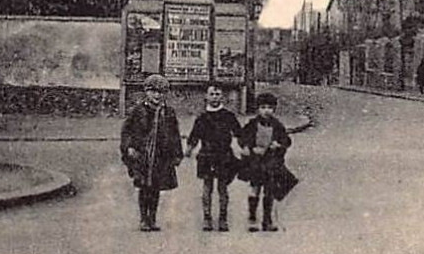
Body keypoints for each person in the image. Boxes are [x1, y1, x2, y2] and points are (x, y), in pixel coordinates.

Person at [120, 74, 182, 232]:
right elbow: (127, 131)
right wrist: (129, 147)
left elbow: (175, 134)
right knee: (144, 187)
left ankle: (152, 218)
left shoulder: (168, 112)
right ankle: (143, 218)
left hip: (161, 156)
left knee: (156, 188)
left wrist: (177, 154)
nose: (157, 95)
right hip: (142, 155)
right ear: (146, 92)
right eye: (153, 91)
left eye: (161, 92)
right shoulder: (137, 111)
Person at [185, 85, 243, 231]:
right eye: (212, 94)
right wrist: (189, 149)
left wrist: (245, 148)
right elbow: (194, 136)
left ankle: (223, 219)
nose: (215, 97)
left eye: (218, 94)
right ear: (206, 96)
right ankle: (207, 218)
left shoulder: (228, 116)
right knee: (207, 187)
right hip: (206, 155)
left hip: (224, 156)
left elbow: (239, 133)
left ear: (222, 97)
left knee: (223, 188)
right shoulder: (202, 117)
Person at [239, 91, 298, 232]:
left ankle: (267, 220)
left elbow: (286, 140)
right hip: (255, 161)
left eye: (270, 108)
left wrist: (279, 145)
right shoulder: (252, 124)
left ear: (274, 109)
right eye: (263, 107)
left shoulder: (277, 125)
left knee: (269, 190)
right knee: (255, 188)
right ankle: (252, 217)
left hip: (270, 162)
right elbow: (243, 137)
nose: (266, 111)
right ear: (258, 109)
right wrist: (247, 147)